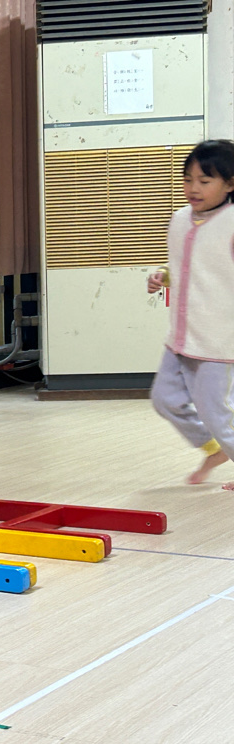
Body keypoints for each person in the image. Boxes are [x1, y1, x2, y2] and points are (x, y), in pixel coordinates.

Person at [147, 139, 234, 490]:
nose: (193, 188)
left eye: (205, 180)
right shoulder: (181, 219)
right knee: (164, 400)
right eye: (188, 179)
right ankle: (215, 449)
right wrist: (162, 276)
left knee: (216, 410)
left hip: (218, 341)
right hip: (181, 337)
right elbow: (188, 267)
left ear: (230, 184)